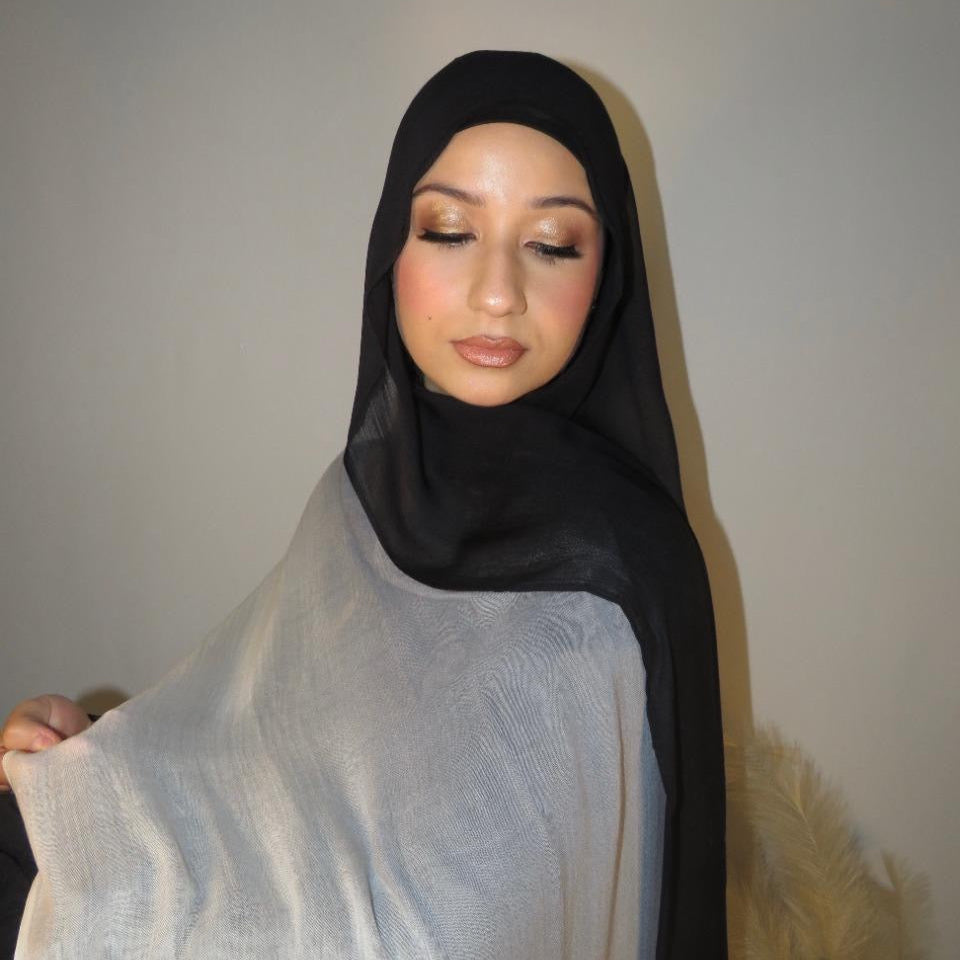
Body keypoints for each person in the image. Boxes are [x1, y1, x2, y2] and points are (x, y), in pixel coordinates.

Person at [0, 50, 727, 959]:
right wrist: (97, 765)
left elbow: (486, 924)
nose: (498, 293)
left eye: (551, 244)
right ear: (392, 248)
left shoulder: (621, 572)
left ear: (606, 273)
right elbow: (278, 752)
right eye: (450, 230)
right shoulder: (368, 488)